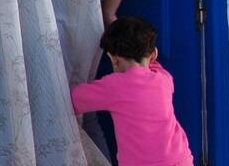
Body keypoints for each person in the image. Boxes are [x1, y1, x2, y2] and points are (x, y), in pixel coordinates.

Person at [72, 17, 194, 166]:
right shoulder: (164, 79)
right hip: (180, 159)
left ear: (115, 61)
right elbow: (151, 64)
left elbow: (75, 100)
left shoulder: (114, 86)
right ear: (153, 55)